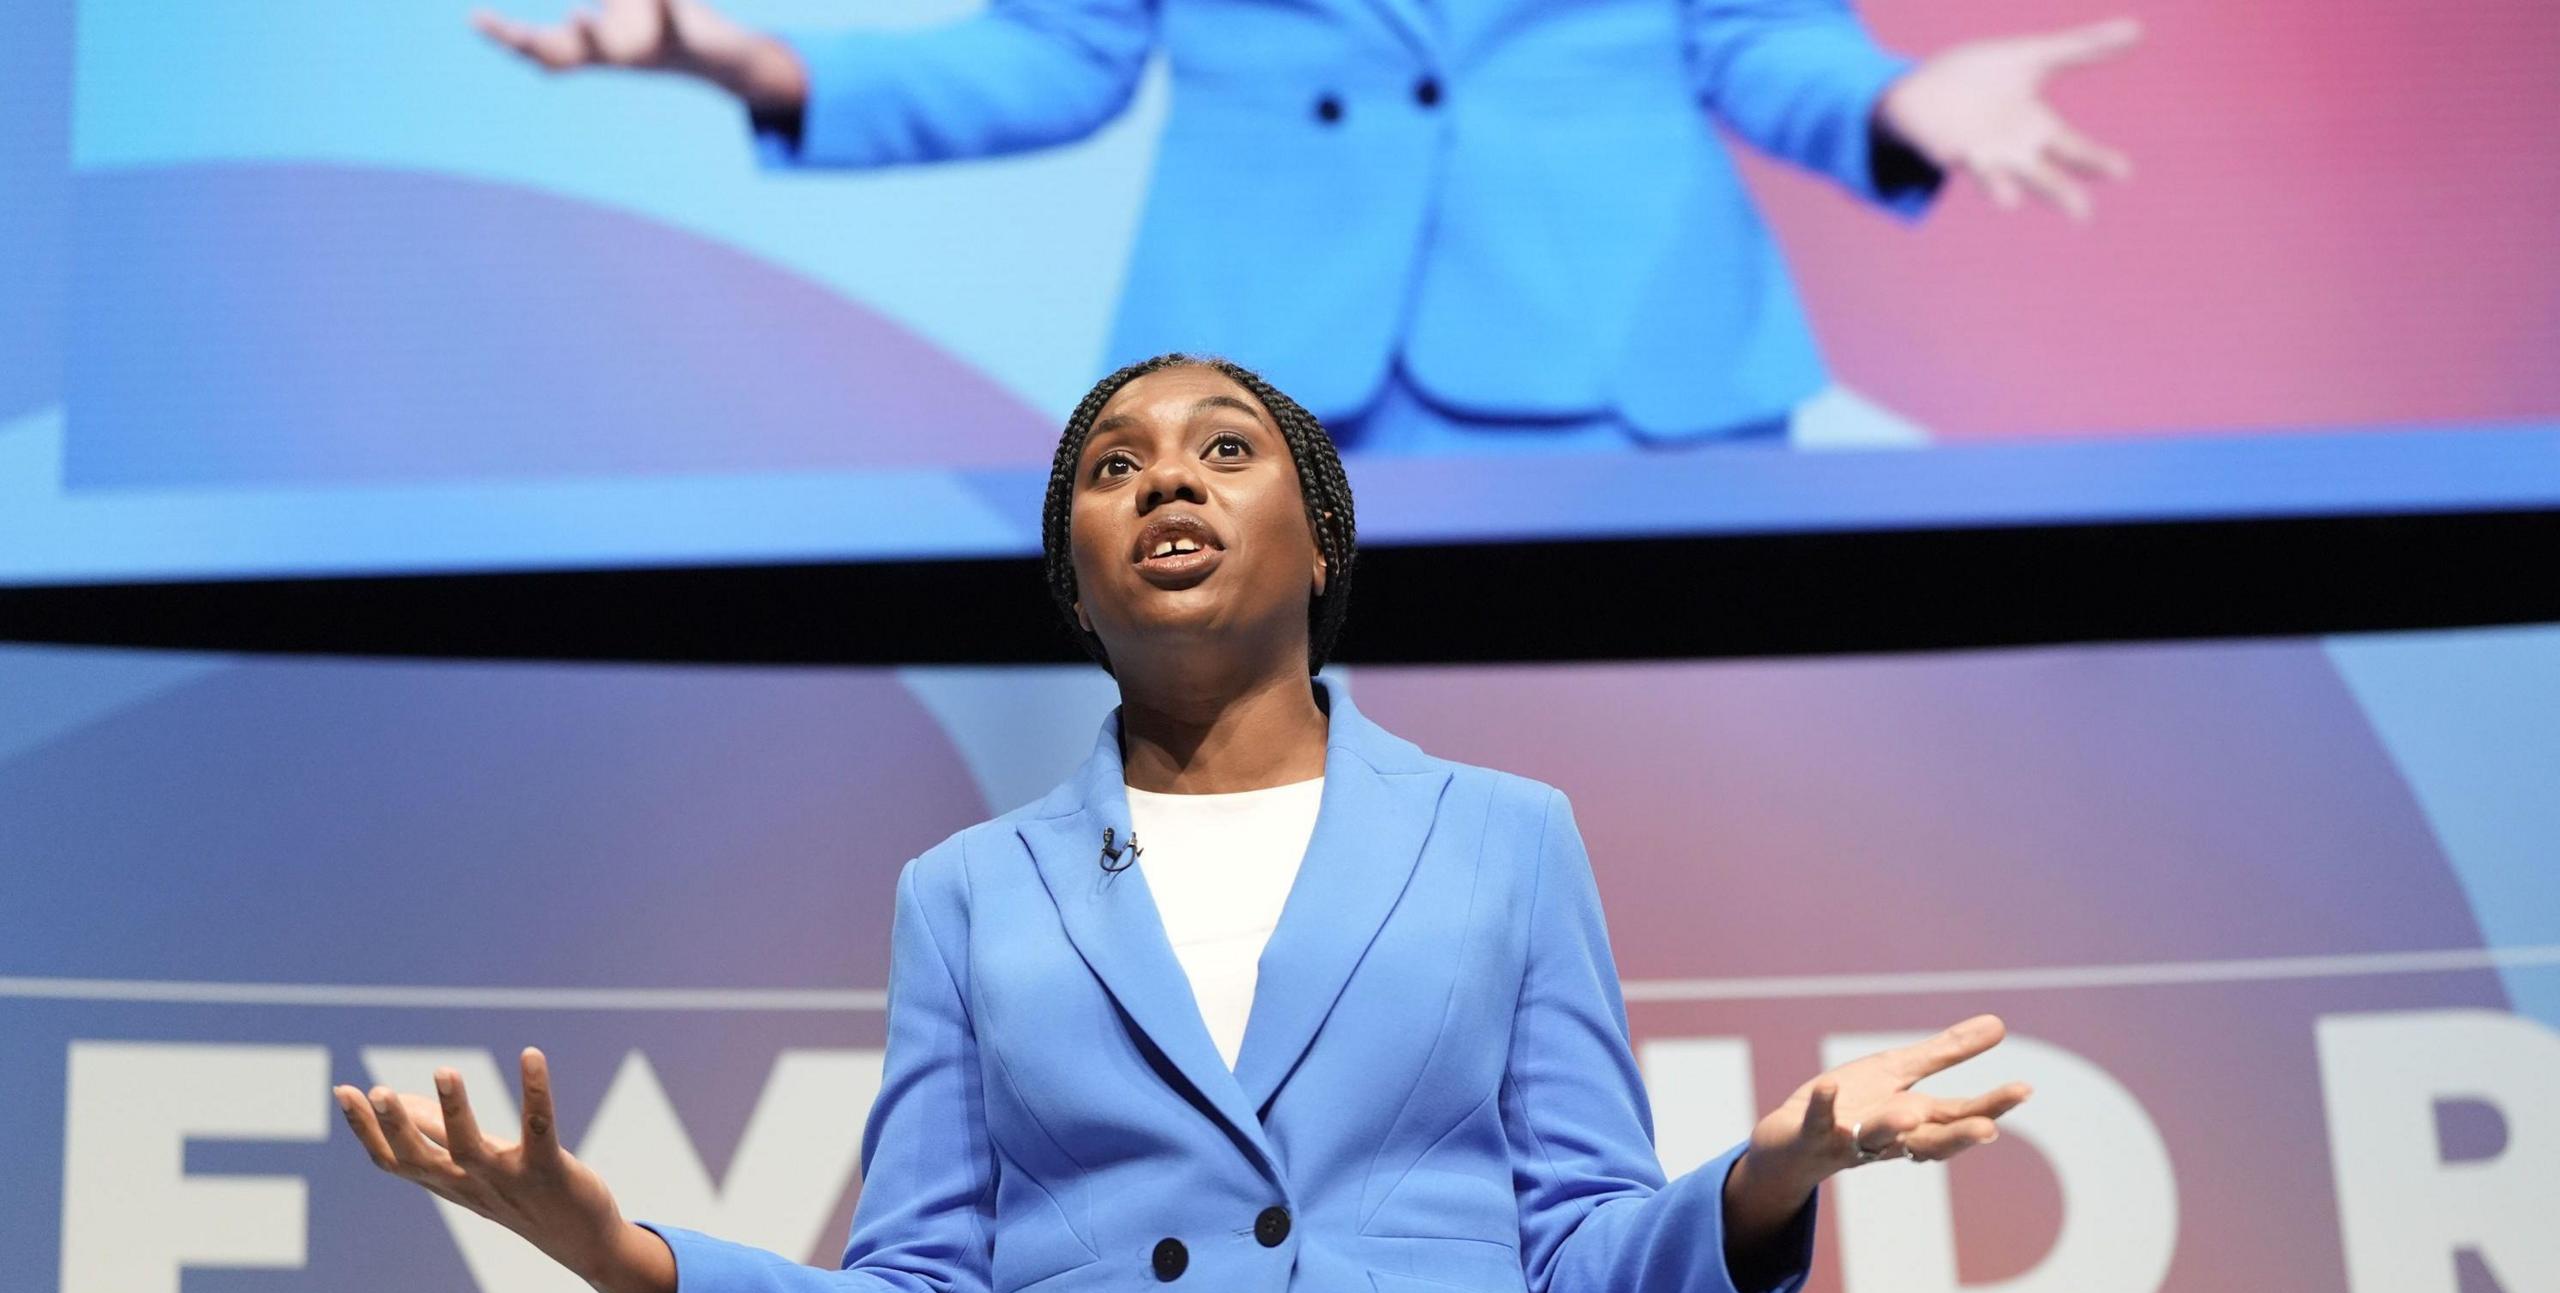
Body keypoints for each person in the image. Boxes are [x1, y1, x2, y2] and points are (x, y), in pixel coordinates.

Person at [334, 353, 2031, 1293]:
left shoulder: (1507, 835)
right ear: (1076, 577)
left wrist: (1767, 1174)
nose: (1164, 480)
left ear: (1320, 546)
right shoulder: (968, 895)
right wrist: (627, 1261)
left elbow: (1584, 1282)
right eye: (1112, 465)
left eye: (1225, 449)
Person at [467, 1, 2137, 454]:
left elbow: (1752, 36)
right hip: (1279, 403)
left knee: (1688, 827)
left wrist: (1891, 100)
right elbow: (1059, 54)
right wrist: (767, 68)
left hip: (1637, 377)